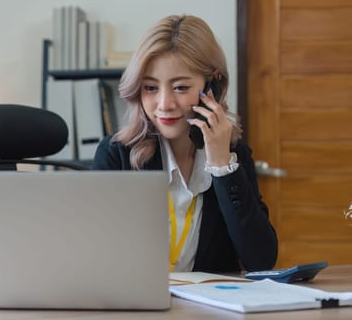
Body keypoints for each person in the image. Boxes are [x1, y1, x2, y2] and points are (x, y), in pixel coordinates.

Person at [91, 14, 278, 273]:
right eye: (150, 88)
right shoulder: (117, 155)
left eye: (180, 87)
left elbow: (261, 260)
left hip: (207, 311)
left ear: (212, 85)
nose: (164, 104)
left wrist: (221, 167)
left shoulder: (234, 157)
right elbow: (95, 256)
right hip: (138, 308)